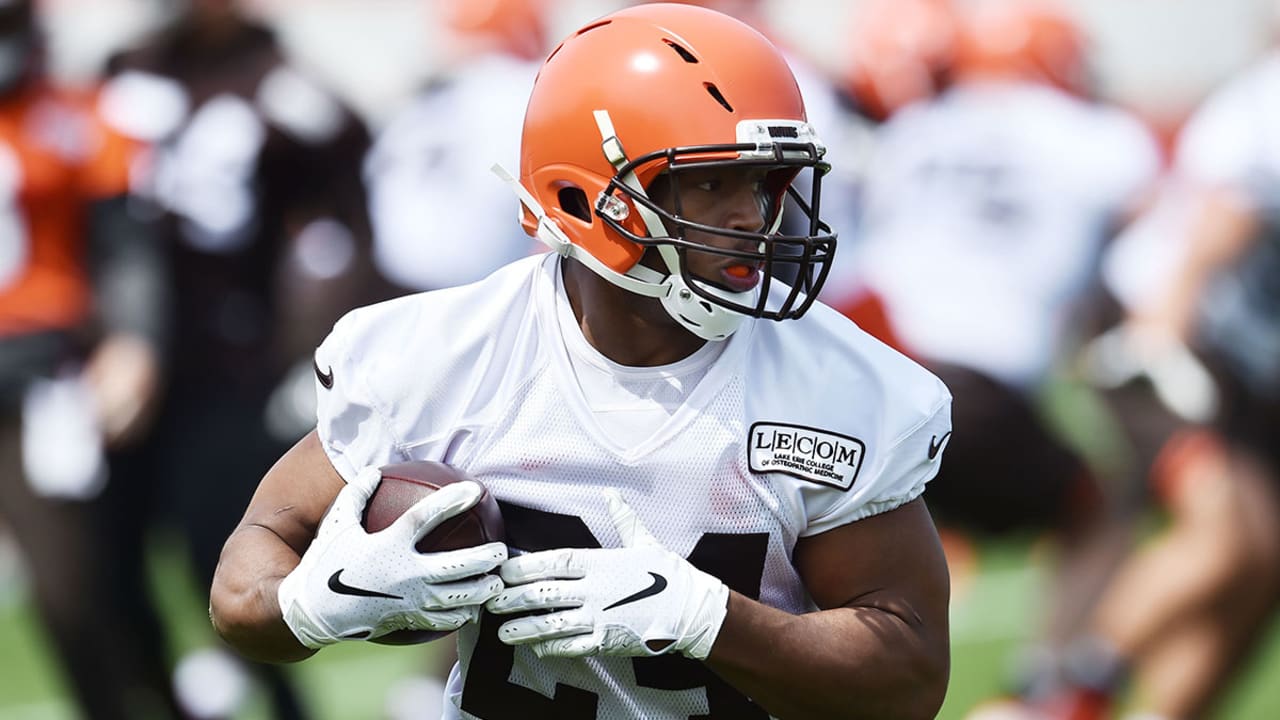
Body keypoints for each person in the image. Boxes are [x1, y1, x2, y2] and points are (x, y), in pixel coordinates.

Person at [210, 4, 953, 719]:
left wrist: (706, 620)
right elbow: (246, 579)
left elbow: (908, 680)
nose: (751, 216)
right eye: (710, 181)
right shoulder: (444, 357)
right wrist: (316, 600)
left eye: (763, 182)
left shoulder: (835, 387)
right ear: (582, 196)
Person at [847, 1, 1162, 712]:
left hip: (870, 368)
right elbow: (1151, 249)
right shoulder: (1102, 137)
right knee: (1102, 511)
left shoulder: (921, 127)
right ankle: (1039, 693)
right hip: (976, 386)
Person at [96, 0, 381, 716]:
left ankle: (283, 703)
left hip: (225, 361)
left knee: (217, 550)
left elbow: (348, 209)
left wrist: (308, 341)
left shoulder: (284, 84)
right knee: (107, 568)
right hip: (113, 358)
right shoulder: (125, 71)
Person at [1035, 42, 1280, 720]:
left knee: (1263, 566)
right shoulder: (1267, 98)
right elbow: (1227, 213)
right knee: (1226, 535)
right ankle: (1049, 700)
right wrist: (1163, 328)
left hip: (1249, 369)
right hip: (1167, 335)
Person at [0, 0, 178, 718]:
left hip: (43, 372)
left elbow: (125, 244)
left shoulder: (75, 116)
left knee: (80, 583)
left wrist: (134, 340)